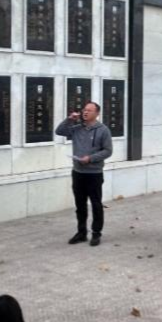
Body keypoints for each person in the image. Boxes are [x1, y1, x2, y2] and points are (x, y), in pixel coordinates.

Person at [56, 101, 114, 246]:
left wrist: (91, 158)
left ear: (97, 113)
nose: (85, 112)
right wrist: (70, 119)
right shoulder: (76, 128)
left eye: (89, 110)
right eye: (84, 110)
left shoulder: (103, 130)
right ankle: (81, 232)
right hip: (78, 172)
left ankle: (96, 233)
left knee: (96, 204)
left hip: (94, 173)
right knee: (80, 205)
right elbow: (59, 131)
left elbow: (108, 151)